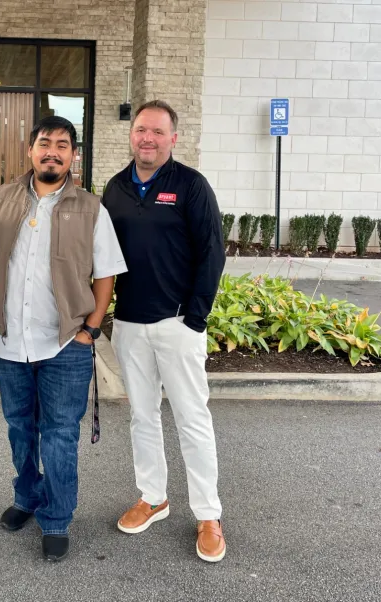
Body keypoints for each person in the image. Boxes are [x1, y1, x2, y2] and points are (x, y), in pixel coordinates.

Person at [0, 116, 126, 562]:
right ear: (30, 150)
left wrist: (91, 329)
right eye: (45, 143)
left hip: (66, 343)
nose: (53, 152)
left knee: (60, 434)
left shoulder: (91, 208)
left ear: (73, 155)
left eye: (63, 145)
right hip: (7, 343)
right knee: (19, 428)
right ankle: (27, 497)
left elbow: (105, 275)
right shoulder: (3, 199)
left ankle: (57, 517)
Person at [102, 100, 227, 562]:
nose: (147, 139)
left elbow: (212, 252)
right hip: (130, 324)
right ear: (131, 135)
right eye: (140, 131)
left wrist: (194, 318)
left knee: (192, 418)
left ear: (173, 138)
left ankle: (208, 514)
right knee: (143, 416)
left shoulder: (191, 186)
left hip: (178, 324)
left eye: (157, 132)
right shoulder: (115, 188)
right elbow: (102, 257)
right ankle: (152, 497)